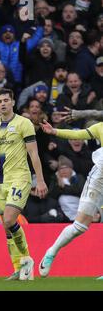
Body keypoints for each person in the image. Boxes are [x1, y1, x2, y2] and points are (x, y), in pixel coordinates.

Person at [0, 88, 48, 281]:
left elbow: (33, 154)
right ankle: (19, 267)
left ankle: (27, 259)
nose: (3, 104)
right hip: (0, 181)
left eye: (6, 100)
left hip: (19, 178)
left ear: (13, 102)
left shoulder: (24, 124)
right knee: (7, 227)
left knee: (8, 219)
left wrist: (39, 180)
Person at [39, 119, 103, 278]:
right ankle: (51, 252)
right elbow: (78, 134)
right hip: (99, 179)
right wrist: (55, 132)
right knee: (80, 226)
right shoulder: (100, 127)